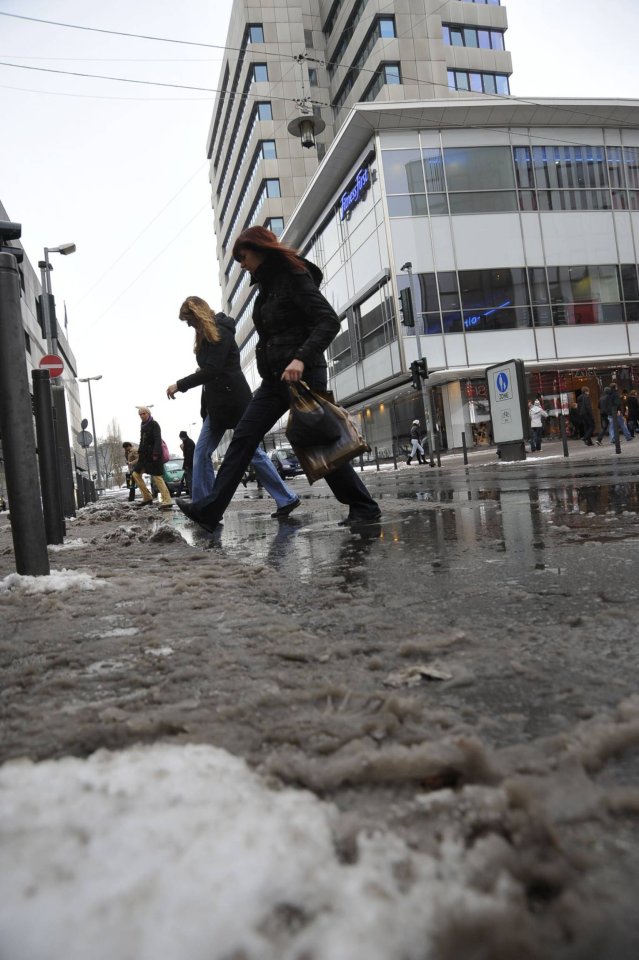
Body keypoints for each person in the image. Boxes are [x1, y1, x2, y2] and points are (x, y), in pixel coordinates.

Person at [177, 226, 380, 533]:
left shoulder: (293, 276)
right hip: (274, 380)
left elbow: (328, 321)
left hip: (302, 374)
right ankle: (209, 510)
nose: (242, 265)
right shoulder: (266, 285)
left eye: (243, 257)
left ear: (259, 249)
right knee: (244, 438)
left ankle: (364, 506)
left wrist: (301, 357)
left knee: (317, 440)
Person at [166, 296, 300, 518]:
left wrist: (180, 385)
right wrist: (204, 406)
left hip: (236, 402)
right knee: (201, 453)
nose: (189, 326)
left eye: (189, 321)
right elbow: (208, 375)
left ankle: (286, 498)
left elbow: (213, 370)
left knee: (252, 453)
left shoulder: (222, 330)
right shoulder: (204, 337)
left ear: (198, 315)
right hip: (216, 407)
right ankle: (204, 507)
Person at [130, 407, 174, 510]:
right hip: (144, 457)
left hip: (154, 456)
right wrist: (140, 452)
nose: (142, 416)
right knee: (135, 474)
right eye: (140, 414)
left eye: (143, 413)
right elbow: (142, 440)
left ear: (148, 413)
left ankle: (167, 500)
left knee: (157, 477)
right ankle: (147, 497)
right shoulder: (143, 426)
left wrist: (156, 453)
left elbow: (158, 439)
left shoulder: (154, 424)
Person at [178, 430, 195, 496]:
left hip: (190, 465)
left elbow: (189, 456)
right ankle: (192, 493)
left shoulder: (188, 443)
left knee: (190, 480)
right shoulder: (187, 442)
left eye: (181, 437)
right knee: (189, 480)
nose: (180, 439)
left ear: (182, 437)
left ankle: (192, 494)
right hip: (189, 464)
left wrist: (186, 465)